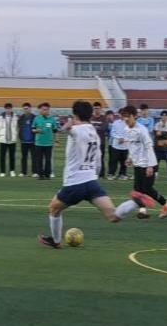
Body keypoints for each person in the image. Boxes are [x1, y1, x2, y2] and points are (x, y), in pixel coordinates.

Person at [38, 100, 146, 248]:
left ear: (75, 115)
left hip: (74, 183)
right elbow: (98, 161)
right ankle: (135, 202)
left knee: (54, 209)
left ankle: (56, 241)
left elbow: (66, 129)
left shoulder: (77, 130)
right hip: (91, 182)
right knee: (113, 216)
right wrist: (92, 174)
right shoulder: (93, 132)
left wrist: (67, 125)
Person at [118, 105, 167, 219]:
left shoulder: (142, 130)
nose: (125, 119)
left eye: (127, 116)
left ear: (134, 116)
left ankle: (166, 204)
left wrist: (150, 166)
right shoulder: (126, 129)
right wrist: (129, 157)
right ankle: (142, 211)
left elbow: (149, 147)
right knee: (137, 190)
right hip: (137, 164)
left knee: (147, 189)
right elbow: (131, 145)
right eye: (124, 117)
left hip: (148, 163)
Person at [32, 102, 60, 179]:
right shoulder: (36, 118)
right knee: (39, 160)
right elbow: (33, 129)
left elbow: (55, 131)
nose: (45, 111)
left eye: (47, 110)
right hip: (39, 143)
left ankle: (47, 175)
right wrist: (37, 130)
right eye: (44, 109)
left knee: (48, 160)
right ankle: (40, 175)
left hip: (49, 143)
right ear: (40, 110)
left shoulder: (52, 119)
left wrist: (57, 141)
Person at [0, 102, 19, 177]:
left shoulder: (15, 117)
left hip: (12, 140)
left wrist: (16, 134)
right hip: (3, 140)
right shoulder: (0, 117)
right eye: (7, 108)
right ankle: (2, 172)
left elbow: (18, 127)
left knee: (12, 157)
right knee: (2, 156)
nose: (8, 110)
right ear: (5, 109)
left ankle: (12, 171)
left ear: (11, 109)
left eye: (9, 108)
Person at [107, 110, 130, 180]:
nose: (123, 115)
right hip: (116, 145)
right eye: (121, 114)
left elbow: (131, 134)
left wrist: (124, 139)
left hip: (125, 146)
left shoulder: (129, 123)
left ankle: (122, 174)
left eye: (124, 114)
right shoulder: (115, 123)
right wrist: (119, 138)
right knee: (114, 161)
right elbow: (113, 133)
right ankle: (111, 174)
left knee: (124, 162)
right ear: (119, 114)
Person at [154, 110, 167, 179]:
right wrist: (165, 134)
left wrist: (162, 134)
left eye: (165, 115)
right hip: (159, 146)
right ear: (161, 116)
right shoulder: (157, 124)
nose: (164, 117)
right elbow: (157, 134)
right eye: (162, 115)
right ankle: (156, 174)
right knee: (157, 160)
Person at [17, 102, 36, 177]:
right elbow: (19, 128)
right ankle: (23, 172)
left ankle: (35, 172)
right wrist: (20, 137)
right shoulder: (21, 118)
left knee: (34, 157)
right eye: (24, 109)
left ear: (30, 108)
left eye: (27, 108)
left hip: (33, 141)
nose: (25, 110)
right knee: (23, 157)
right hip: (24, 141)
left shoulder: (34, 117)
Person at [90, 102, 108, 178]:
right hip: (91, 141)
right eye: (95, 108)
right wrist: (97, 128)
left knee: (101, 157)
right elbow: (88, 127)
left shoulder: (104, 118)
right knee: (91, 157)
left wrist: (93, 129)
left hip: (101, 141)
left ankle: (101, 173)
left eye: (97, 108)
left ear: (101, 109)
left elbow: (103, 128)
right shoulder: (91, 117)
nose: (96, 110)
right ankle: (92, 172)